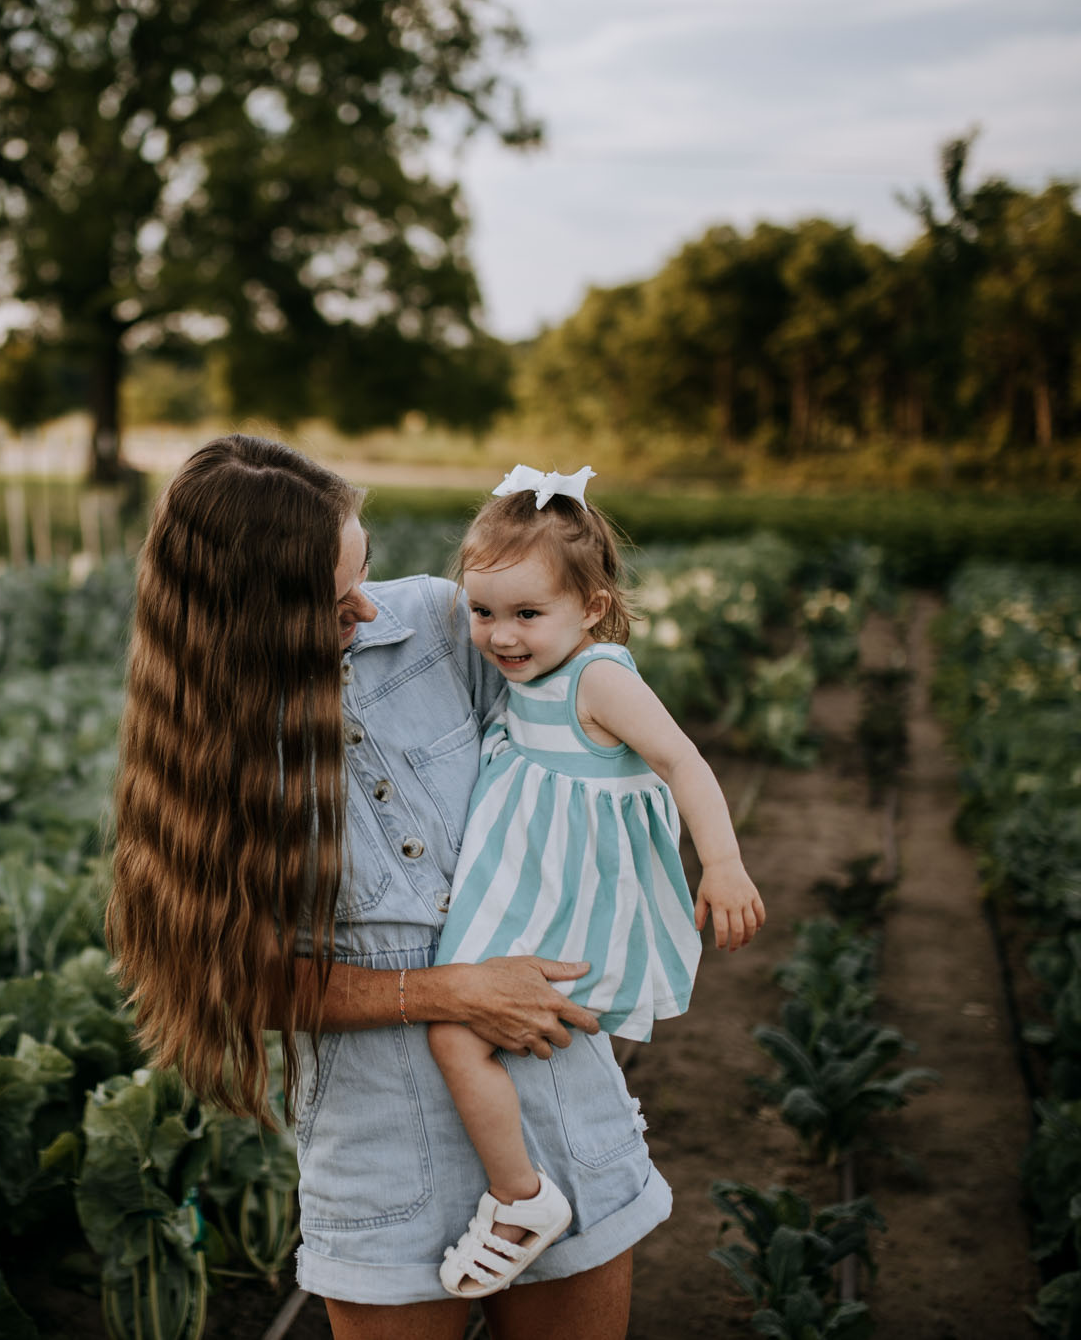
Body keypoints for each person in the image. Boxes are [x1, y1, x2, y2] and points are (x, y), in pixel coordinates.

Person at [107, 435, 673, 1340]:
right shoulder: (205, 759)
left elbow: (575, 762)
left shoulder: (449, 628)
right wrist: (448, 990)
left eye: (361, 569)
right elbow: (239, 982)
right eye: (332, 603)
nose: (366, 605)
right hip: (381, 1139)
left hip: (548, 1089)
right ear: (250, 618)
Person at [427, 465, 767, 1299]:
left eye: (527, 614)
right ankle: (571, 1147)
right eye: (482, 612)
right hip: (520, 876)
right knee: (490, 1031)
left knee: (454, 1029)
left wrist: (720, 860)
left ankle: (523, 1199)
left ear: (593, 608)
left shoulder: (598, 678)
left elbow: (681, 759)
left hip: (559, 890)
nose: (501, 635)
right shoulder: (529, 671)